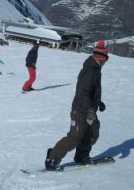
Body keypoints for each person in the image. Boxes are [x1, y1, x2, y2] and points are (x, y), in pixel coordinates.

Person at [45, 40, 109, 171]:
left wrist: (98, 102)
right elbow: (83, 93)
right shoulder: (91, 70)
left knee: (91, 133)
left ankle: (82, 156)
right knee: (75, 137)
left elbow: (91, 91)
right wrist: (91, 109)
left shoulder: (95, 69)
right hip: (81, 110)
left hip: (89, 109)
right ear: (102, 58)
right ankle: (52, 158)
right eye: (106, 59)